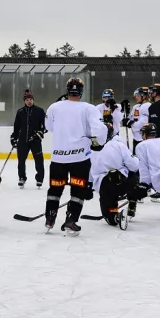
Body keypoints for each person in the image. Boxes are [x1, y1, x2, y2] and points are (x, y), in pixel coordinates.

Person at [42, 77, 109, 235]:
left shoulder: (54, 107)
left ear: (67, 90)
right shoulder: (88, 108)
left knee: (55, 188)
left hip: (58, 157)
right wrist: (100, 141)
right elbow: (99, 130)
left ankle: (49, 218)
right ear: (81, 91)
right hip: (79, 158)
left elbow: (48, 126)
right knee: (78, 190)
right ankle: (71, 221)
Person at [88, 123, 141, 227]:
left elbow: (88, 169)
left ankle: (116, 216)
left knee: (111, 219)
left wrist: (88, 185)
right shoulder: (119, 145)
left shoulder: (90, 149)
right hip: (123, 182)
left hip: (105, 186)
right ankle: (132, 203)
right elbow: (134, 166)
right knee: (135, 177)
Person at [11, 89, 46, 188]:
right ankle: (22, 177)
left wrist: (40, 132)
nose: (29, 101)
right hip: (23, 141)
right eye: (27, 100)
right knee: (21, 161)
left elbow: (45, 126)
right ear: (24, 101)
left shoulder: (40, 111)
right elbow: (16, 127)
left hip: (36, 141)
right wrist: (14, 138)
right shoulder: (20, 112)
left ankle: (39, 179)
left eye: (30, 99)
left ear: (33, 100)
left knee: (39, 161)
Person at [126, 86, 151, 153]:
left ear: (144, 96)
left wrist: (130, 123)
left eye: (137, 95)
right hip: (136, 139)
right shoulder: (136, 106)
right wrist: (125, 111)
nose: (135, 97)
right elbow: (130, 118)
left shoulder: (147, 106)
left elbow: (142, 124)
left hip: (143, 139)